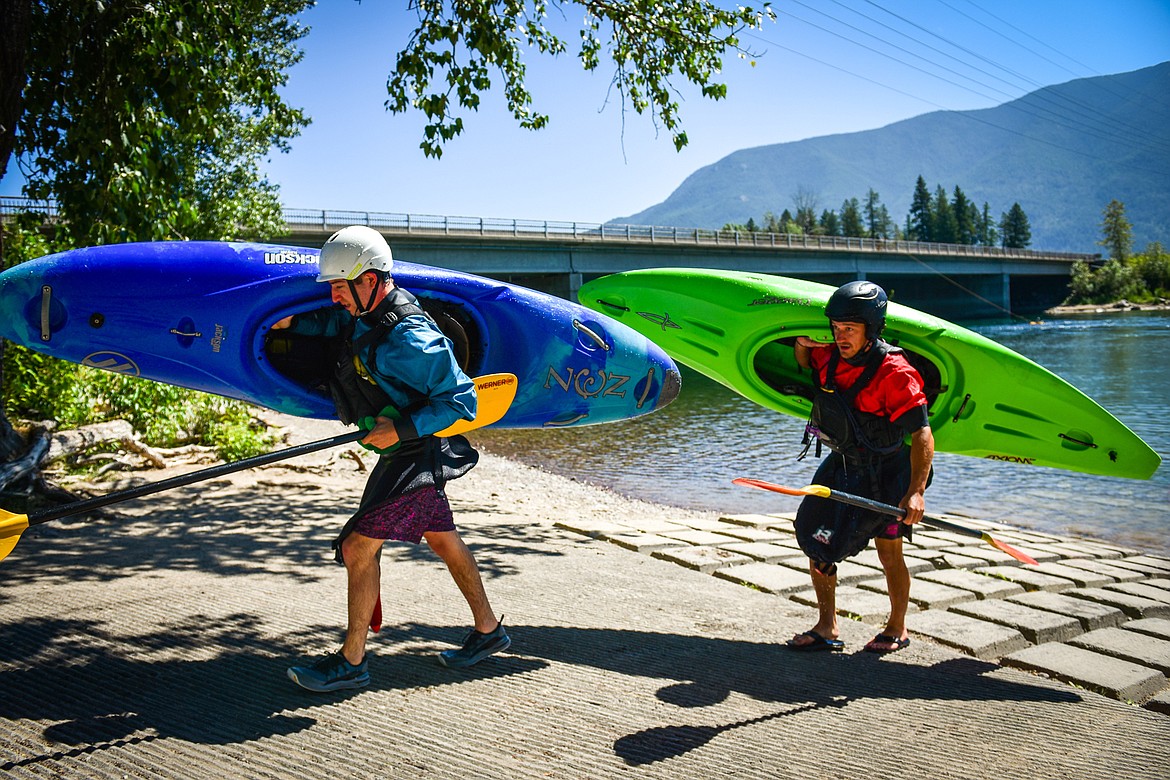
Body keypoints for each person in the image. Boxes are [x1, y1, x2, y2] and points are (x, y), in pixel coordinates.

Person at [278, 225, 509, 692]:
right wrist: (292, 325)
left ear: (371, 280)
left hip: (417, 454)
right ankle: (489, 631)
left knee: (357, 548)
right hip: (406, 452)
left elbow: (463, 403)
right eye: (333, 289)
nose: (335, 296)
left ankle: (352, 661)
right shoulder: (366, 312)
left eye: (341, 287)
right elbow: (341, 326)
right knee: (444, 540)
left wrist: (399, 428)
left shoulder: (411, 339)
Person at [786, 280, 934, 654]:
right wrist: (803, 347)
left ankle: (897, 627)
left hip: (888, 472)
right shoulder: (831, 356)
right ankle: (826, 626)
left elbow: (922, 435)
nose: (840, 337)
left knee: (889, 549)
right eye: (836, 328)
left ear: (872, 329)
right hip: (844, 464)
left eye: (849, 329)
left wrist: (915, 492)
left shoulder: (896, 372)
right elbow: (808, 366)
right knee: (816, 540)